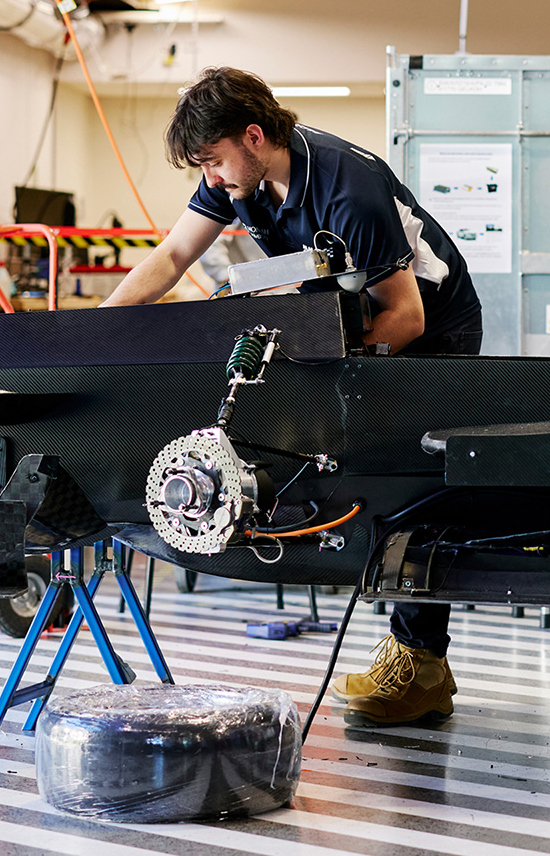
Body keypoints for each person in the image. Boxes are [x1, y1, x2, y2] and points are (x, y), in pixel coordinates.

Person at [101, 66, 482, 726]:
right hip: (347, 314)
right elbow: (170, 258)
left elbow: (406, 317)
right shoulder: (237, 177)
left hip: (432, 325)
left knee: (412, 483)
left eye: (215, 161)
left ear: (254, 135)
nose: (213, 178)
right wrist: (91, 330)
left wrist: (347, 373)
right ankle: (412, 648)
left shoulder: (346, 187)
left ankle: (421, 662)